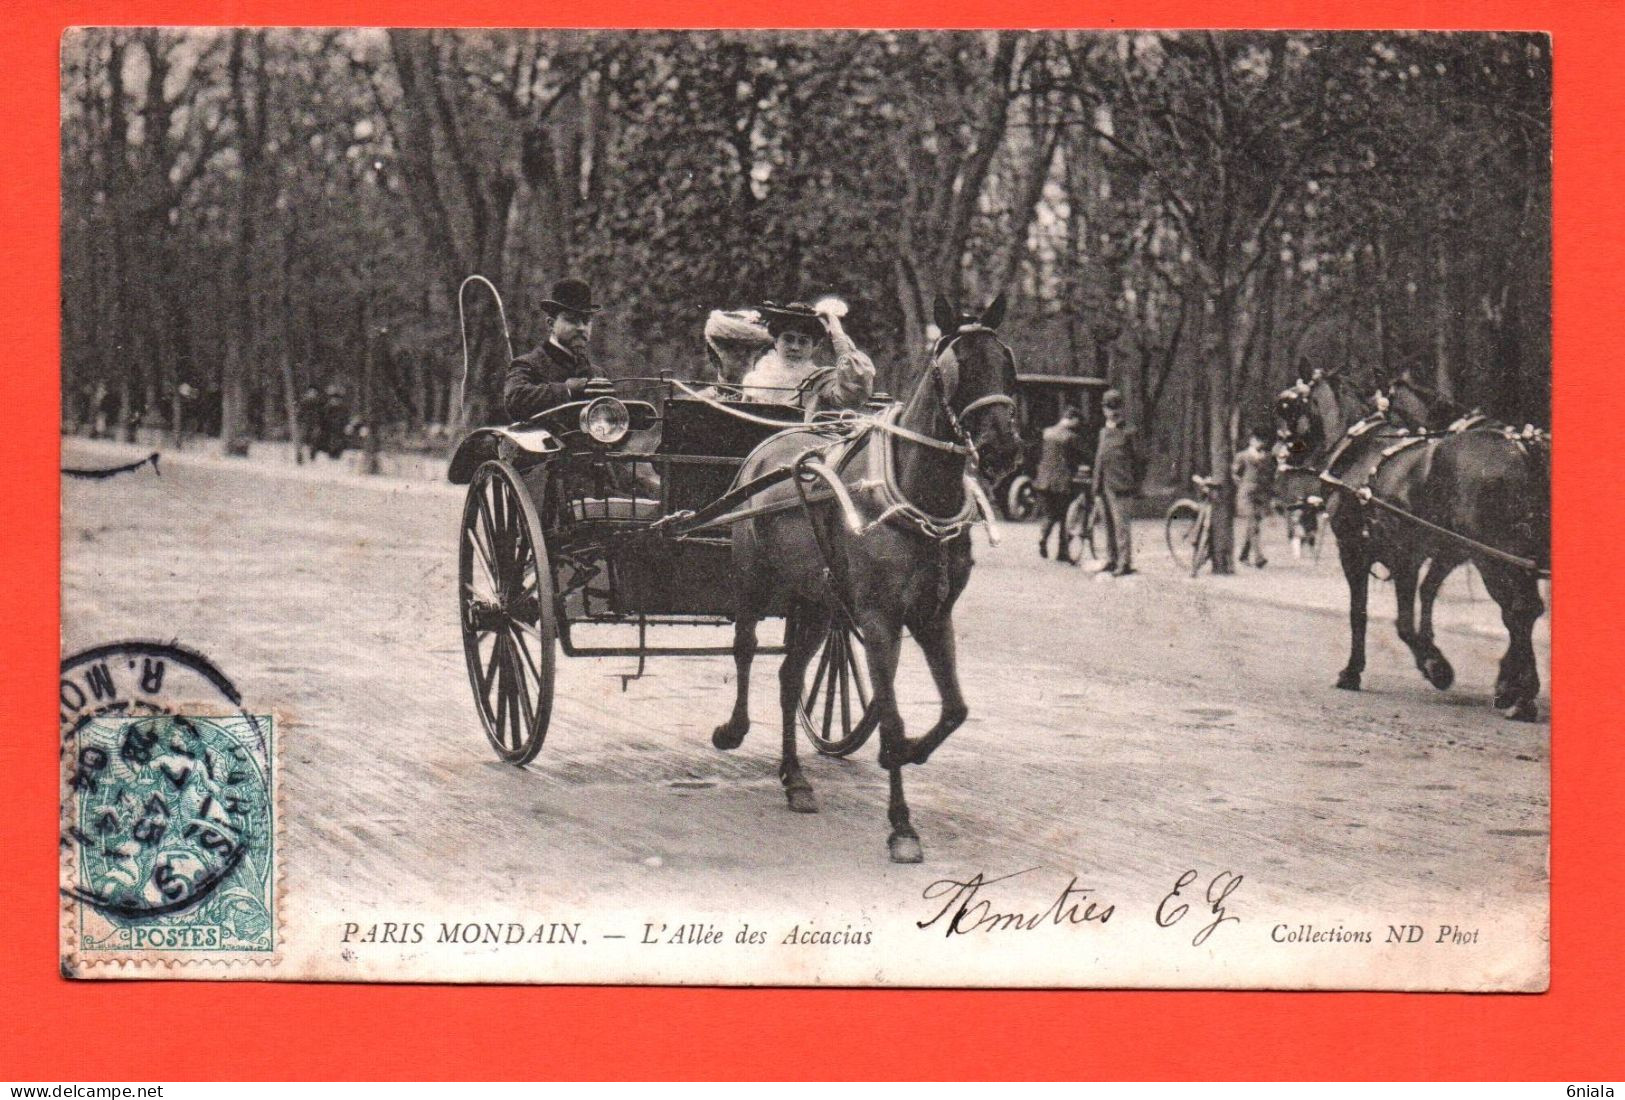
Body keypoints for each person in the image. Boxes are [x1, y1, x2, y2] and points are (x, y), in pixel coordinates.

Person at [739, 299, 874, 414]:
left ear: (814, 347)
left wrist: (838, 334)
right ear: (775, 342)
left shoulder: (821, 380)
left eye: (803, 341)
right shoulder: (754, 379)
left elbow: (853, 397)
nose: (795, 347)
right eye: (788, 339)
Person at [504, 277, 603, 421]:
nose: (582, 327)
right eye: (572, 320)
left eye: (586, 320)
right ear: (551, 324)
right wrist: (567, 390)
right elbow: (514, 400)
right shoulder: (527, 365)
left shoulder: (597, 373)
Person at [1092, 388, 1142, 577]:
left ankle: (1124, 562)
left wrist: (1134, 484)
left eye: (1115, 408)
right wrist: (1096, 485)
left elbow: (1138, 460)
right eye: (1108, 408)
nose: (1112, 412)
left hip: (1122, 485)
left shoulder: (1129, 431)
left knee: (1121, 526)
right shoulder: (1103, 432)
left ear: (1121, 409)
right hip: (1105, 484)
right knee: (1108, 525)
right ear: (1104, 410)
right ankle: (1111, 560)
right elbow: (1099, 458)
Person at [1034, 406, 1085, 564]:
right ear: (1073, 419)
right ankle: (1062, 551)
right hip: (1062, 483)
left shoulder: (1047, 433)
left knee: (1049, 514)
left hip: (1043, 481)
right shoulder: (1071, 437)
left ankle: (1043, 537)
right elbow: (1077, 458)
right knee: (1064, 517)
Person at [1233, 427, 1277, 568]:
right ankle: (1259, 557)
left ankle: (1243, 555)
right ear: (1251, 440)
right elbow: (1234, 474)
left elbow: (1268, 476)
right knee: (1253, 524)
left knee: (1254, 526)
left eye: (1262, 440)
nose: (1260, 443)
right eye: (1258, 440)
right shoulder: (1242, 456)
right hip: (1246, 495)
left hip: (1260, 496)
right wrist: (1242, 486)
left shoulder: (1267, 457)